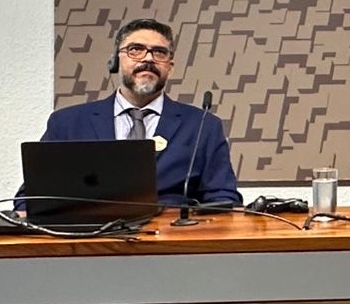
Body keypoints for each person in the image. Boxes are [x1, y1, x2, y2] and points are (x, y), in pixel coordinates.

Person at [38, 17, 241, 207]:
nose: (149, 59)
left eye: (159, 52)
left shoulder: (203, 126)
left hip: (172, 231)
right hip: (90, 231)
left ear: (170, 67)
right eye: (136, 50)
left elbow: (224, 198)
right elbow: (33, 197)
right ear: (115, 61)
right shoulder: (67, 124)